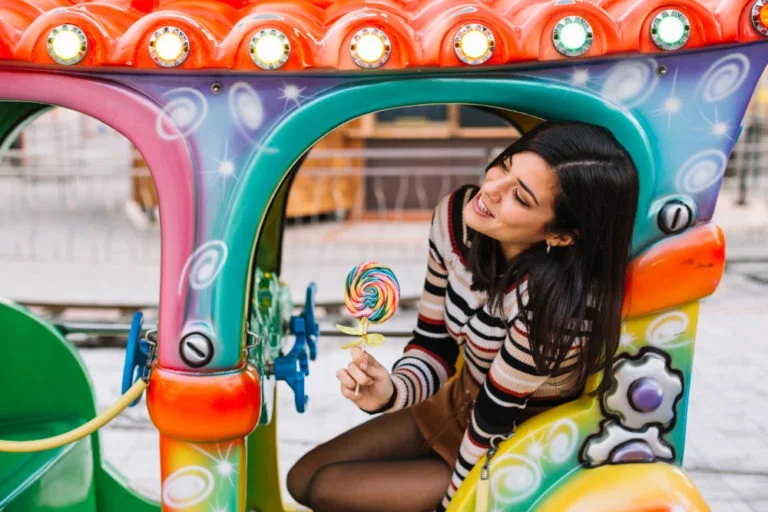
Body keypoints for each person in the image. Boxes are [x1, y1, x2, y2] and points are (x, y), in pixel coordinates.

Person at [286, 120, 640, 512]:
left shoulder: (561, 311)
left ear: (560, 235)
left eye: (519, 198)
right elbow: (433, 342)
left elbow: (493, 417)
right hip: (455, 402)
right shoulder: (455, 218)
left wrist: (453, 507)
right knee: (300, 478)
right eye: (504, 166)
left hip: (511, 444)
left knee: (328, 489)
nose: (490, 191)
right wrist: (390, 391)